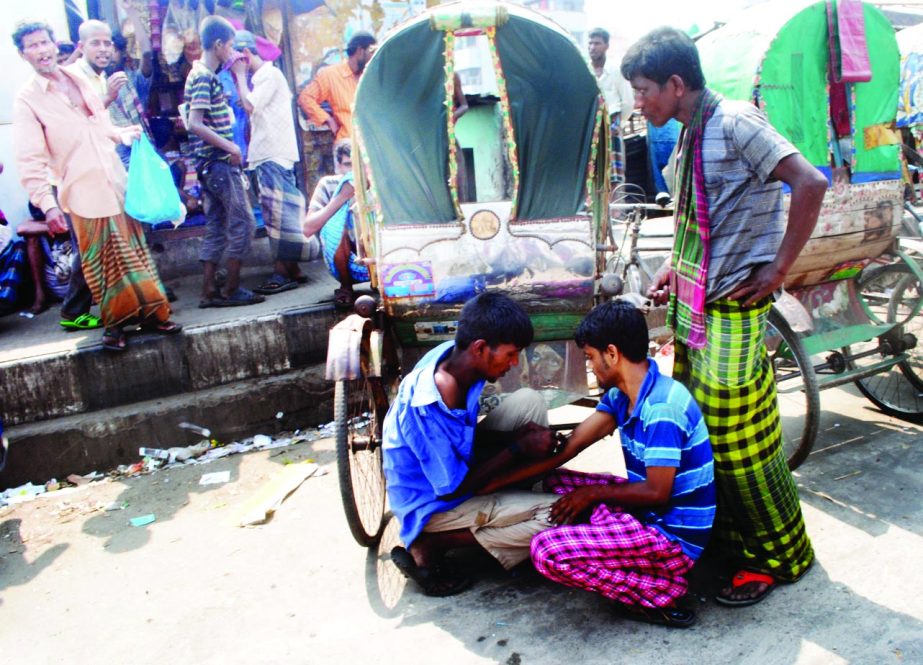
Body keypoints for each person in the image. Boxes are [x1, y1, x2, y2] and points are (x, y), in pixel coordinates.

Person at [622, 27, 827, 606]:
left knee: (737, 451)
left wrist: (778, 269)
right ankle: (736, 545)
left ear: (676, 84)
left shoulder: (735, 121)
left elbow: (810, 182)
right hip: (697, 311)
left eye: (643, 90)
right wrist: (671, 268)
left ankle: (772, 559)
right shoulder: (690, 135)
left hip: (732, 315)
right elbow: (696, 218)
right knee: (708, 440)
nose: (639, 103)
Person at [479, 302, 715, 628]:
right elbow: (565, 452)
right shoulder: (622, 396)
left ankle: (663, 587)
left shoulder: (663, 408)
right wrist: (484, 486)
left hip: (671, 537)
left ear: (613, 354)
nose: (590, 367)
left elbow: (658, 492)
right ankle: (607, 536)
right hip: (647, 513)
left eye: (590, 357)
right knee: (556, 481)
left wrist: (591, 497)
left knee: (546, 552)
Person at [13, 20, 179, 351]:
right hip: (82, 192)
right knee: (102, 263)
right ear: (23, 54)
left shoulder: (78, 78)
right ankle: (114, 327)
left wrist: (121, 134)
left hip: (116, 182)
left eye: (44, 43)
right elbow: (30, 161)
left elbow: (99, 123)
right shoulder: (27, 99)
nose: (41, 51)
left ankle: (153, 314)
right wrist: (47, 205)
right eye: (32, 46)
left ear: (55, 44)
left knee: (135, 254)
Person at [382, 292, 560, 596]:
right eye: (511, 354)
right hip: (433, 503)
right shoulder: (430, 401)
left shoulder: (455, 357)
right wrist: (517, 449)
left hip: (453, 472)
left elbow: (462, 441)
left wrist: (514, 439)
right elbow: (452, 487)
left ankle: (507, 507)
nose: (515, 363)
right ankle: (433, 543)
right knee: (557, 518)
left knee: (528, 401)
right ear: (480, 348)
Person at [184, 15, 263, 308]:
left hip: (208, 166)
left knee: (217, 225)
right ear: (218, 45)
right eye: (230, 46)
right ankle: (231, 288)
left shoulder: (200, 74)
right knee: (243, 222)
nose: (232, 51)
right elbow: (195, 123)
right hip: (218, 164)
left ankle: (208, 292)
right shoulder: (204, 76)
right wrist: (231, 146)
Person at [234, 30, 318, 294]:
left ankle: (283, 272)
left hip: (272, 153)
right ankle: (292, 269)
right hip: (270, 154)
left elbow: (249, 105)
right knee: (280, 213)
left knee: (278, 215)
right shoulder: (264, 78)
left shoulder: (269, 75)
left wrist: (238, 75)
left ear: (245, 55)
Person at [302, 139, 367, 308]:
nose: (353, 170)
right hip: (341, 257)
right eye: (348, 165)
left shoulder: (375, 182)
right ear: (338, 167)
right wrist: (341, 197)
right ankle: (346, 286)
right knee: (337, 226)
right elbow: (308, 228)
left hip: (371, 254)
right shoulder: (328, 184)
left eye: (357, 165)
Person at [297, 31, 376, 141]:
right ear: (360, 51)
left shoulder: (372, 75)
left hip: (374, 143)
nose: (374, 58)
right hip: (349, 142)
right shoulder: (331, 75)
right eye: (372, 52)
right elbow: (305, 98)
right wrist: (327, 119)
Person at [588, 28, 634, 184]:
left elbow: (628, 102)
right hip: (591, 128)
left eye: (597, 43)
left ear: (606, 46)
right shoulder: (586, 69)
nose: (593, 47)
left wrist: (617, 125)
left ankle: (615, 209)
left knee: (614, 177)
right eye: (591, 43)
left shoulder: (615, 70)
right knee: (591, 175)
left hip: (611, 127)